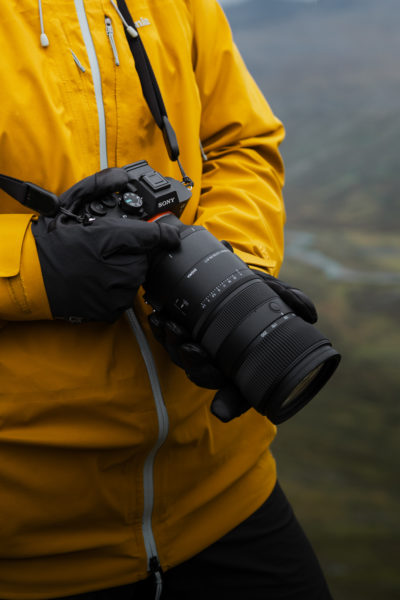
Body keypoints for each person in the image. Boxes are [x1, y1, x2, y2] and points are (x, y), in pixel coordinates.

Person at [0, 1, 333, 598]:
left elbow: (242, 142)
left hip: (225, 492)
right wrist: (32, 266)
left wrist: (234, 267)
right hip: (29, 549)